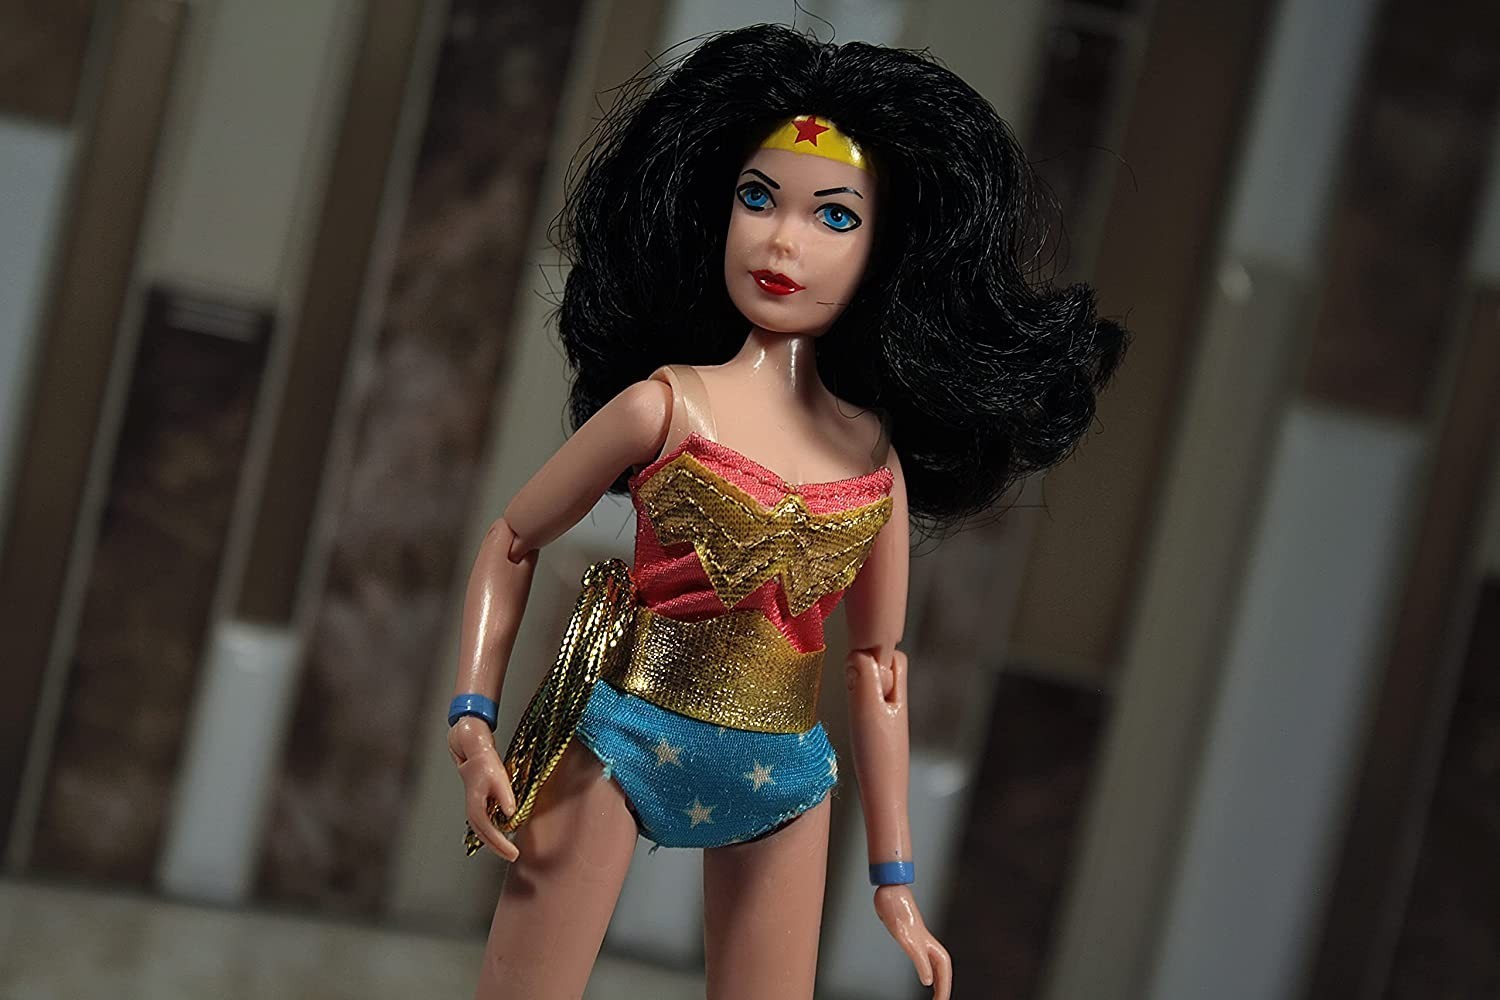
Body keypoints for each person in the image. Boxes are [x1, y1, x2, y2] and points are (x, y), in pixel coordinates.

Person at [445, 23, 1127, 1000]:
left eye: (833, 217)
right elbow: (513, 537)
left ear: (888, 253)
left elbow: (877, 667)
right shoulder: (663, 407)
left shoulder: (873, 460)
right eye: (758, 198)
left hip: (783, 778)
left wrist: (895, 880)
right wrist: (473, 720)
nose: (781, 241)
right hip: (625, 743)